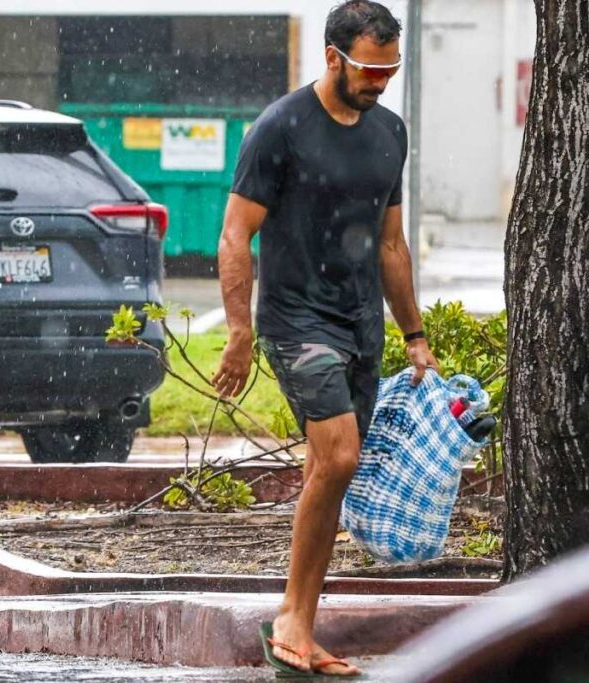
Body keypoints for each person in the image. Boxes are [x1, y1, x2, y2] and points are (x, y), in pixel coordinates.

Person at [211, 1, 439, 677]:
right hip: (296, 319)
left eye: (390, 70)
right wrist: (238, 330)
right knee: (338, 457)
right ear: (333, 57)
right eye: (369, 69)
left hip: (360, 322)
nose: (380, 82)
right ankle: (292, 620)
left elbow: (392, 244)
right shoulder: (280, 128)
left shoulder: (389, 132)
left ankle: (296, 625)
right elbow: (233, 233)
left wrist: (415, 333)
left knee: (328, 468)